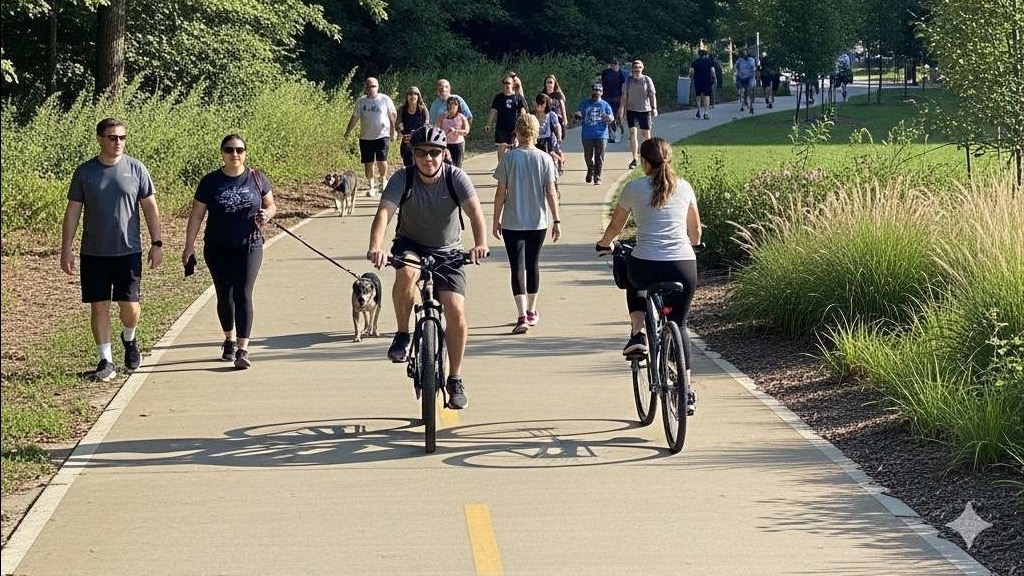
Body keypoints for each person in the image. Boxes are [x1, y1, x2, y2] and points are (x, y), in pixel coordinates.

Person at [366, 126, 489, 410]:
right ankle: (402, 334)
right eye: (421, 153)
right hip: (411, 244)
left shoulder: (455, 177)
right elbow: (384, 213)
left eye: (434, 152)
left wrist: (480, 244)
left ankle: (455, 378)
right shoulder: (403, 178)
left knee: (455, 310)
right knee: (407, 273)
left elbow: (475, 213)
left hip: (448, 251)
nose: (428, 159)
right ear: (413, 154)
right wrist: (377, 247)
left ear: (444, 154)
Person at [596, 137, 702, 412]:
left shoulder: (634, 188)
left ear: (644, 162)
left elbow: (616, 226)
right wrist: (690, 244)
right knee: (679, 323)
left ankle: (639, 333)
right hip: (683, 266)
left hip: (647, 264)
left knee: (634, 278)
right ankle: (686, 390)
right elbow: (696, 233)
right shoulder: (685, 187)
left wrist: (604, 244)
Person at [60, 118, 163, 382]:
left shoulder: (136, 168)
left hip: (128, 251)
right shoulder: (85, 172)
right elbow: (73, 211)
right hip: (94, 252)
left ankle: (129, 338)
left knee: (130, 306)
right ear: (99, 139)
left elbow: (150, 207)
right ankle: (106, 360)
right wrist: (66, 248)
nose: (118, 142)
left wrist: (157, 242)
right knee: (99, 306)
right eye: (112, 137)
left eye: (122, 137)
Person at [182, 134, 277, 370]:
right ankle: (229, 339)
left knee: (243, 294)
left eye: (239, 150)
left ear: (246, 152)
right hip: (217, 246)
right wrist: (189, 245)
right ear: (222, 153)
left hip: (250, 244)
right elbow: (196, 214)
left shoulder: (256, 178)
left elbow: (271, 205)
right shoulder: (210, 182)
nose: (234, 154)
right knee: (224, 294)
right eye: (229, 150)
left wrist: (267, 214)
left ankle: (243, 349)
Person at [492, 115, 562, 334]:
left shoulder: (508, 158)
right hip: (537, 221)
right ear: (535, 132)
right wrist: (556, 219)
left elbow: (500, 193)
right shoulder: (544, 159)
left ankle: (521, 314)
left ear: (517, 132)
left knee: (516, 267)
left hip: (513, 221)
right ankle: (532, 311)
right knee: (533, 265)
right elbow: (550, 192)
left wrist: (496, 219)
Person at [344, 77, 398, 196]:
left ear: (377, 87)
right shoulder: (361, 101)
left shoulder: (385, 99)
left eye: (373, 86)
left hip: (382, 135)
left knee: (382, 161)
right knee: (368, 164)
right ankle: (371, 186)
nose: (370, 88)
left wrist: (393, 131)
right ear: (365, 88)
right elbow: (354, 118)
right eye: (368, 86)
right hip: (365, 137)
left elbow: (393, 115)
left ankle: (383, 181)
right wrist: (348, 131)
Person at [619, 60, 658, 169]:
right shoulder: (628, 80)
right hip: (631, 110)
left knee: (646, 135)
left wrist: (654, 108)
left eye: (639, 67)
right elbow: (624, 96)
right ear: (632, 68)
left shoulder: (647, 79)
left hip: (645, 110)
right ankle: (634, 158)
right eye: (635, 67)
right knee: (633, 133)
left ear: (642, 68)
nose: (637, 69)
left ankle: (648, 157)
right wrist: (621, 110)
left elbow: (652, 94)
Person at [484, 74, 529, 163]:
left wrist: (523, 122)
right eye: (504, 83)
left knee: (514, 147)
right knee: (502, 146)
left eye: (508, 83)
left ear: (512, 84)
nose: (505, 85)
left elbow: (524, 110)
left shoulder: (518, 96)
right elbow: (493, 111)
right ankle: (500, 166)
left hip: (514, 127)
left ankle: (513, 165)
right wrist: (488, 124)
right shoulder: (498, 97)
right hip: (501, 127)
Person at [577, 82, 616, 185]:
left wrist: (608, 118)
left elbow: (611, 118)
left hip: (601, 135)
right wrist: (578, 115)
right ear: (592, 91)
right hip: (587, 134)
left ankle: (597, 177)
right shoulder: (584, 103)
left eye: (599, 90)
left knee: (599, 157)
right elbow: (578, 114)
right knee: (588, 156)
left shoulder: (605, 105)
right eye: (595, 90)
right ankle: (591, 168)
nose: (597, 92)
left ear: (602, 93)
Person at [539, 75, 568, 174]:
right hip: (546, 122)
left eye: (551, 82)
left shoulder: (558, 95)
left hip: (557, 122)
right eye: (548, 82)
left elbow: (562, 107)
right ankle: (554, 164)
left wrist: (565, 119)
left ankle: (559, 162)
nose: (549, 84)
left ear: (554, 84)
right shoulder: (542, 95)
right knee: (550, 146)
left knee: (556, 145)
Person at [397, 86, 429, 167]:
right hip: (407, 140)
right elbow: (397, 124)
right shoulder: (402, 109)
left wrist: (417, 135)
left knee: (420, 163)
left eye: (415, 94)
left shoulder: (423, 110)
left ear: (418, 97)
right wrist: (401, 132)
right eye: (410, 94)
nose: (412, 96)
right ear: (407, 96)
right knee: (408, 162)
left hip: (420, 140)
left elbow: (426, 124)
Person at [437, 96, 470, 168]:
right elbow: (437, 129)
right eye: (449, 103)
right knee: (446, 165)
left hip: (458, 144)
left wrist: (456, 131)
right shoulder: (442, 116)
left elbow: (467, 130)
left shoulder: (461, 117)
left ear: (458, 106)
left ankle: (456, 178)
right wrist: (441, 134)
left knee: (457, 166)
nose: (452, 106)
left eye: (454, 104)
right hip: (445, 144)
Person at [600, 60, 628, 143]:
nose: (615, 66)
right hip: (606, 98)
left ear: (619, 65)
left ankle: (619, 129)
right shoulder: (605, 72)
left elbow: (625, 86)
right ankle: (611, 135)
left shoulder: (622, 74)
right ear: (611, 65)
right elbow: (602, 83)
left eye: (617, 64)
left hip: (618, 98)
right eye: (613, 64)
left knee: (617, 117)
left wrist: (625, 97)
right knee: (609, 116)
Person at [690, 49, 717, 120]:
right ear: (706, 54)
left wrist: (692, 78)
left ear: (699, 54)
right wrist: (714, 79)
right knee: (706, 96)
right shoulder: (709, 62)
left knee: (698, 95)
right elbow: (713, 71)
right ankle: (706, 112)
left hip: (697, 80)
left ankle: (698, 110)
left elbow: (692, 71)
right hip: (707, 80)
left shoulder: (695, 62)